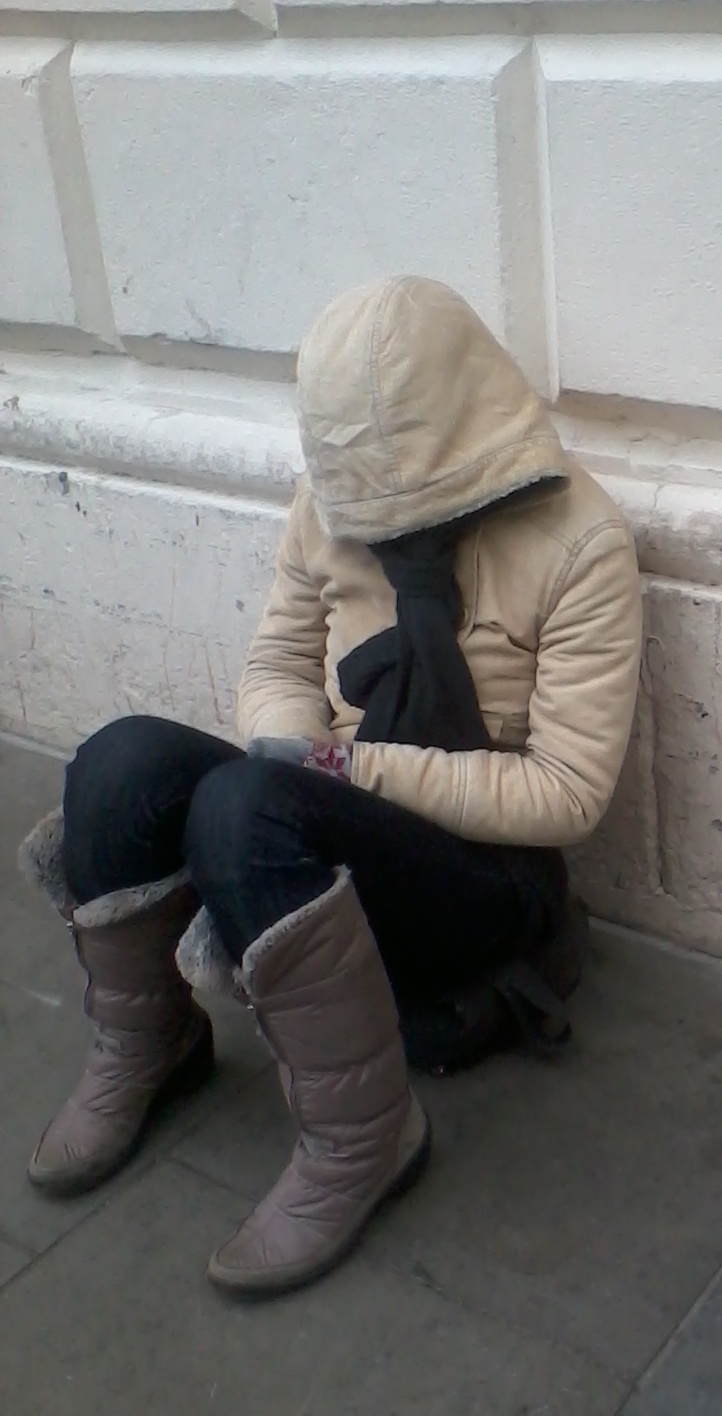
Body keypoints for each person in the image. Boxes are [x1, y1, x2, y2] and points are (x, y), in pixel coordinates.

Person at [17, 277, 643, 1298]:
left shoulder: (581, 543)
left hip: (485, 880)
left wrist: (351, 770)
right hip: (333, 809)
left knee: (241, 811)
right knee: (119, 762)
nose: (372, 517)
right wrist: (294, 745)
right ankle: (149, 1040)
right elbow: (275, 666)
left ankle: (368, 1135)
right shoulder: (327, 504)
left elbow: (568, 793)